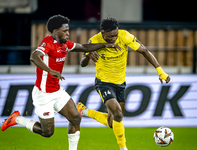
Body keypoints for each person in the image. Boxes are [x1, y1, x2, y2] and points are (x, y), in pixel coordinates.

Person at [1, 15, 121, 150]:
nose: (68, 33)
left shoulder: (65, 44)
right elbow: (34, 56)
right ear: (54, 31)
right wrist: (49, 70)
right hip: (43, 94)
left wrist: (105, 45)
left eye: (68, 30)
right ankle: (17, 119)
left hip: (57, 91)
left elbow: (83, 47)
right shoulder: (47, 43)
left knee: (76, 118)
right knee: (47, 132)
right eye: (64, 31)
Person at [77, 17, 171, 150]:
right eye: (110, 36)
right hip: (103, 82)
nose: (114, 38)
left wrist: (160, 71)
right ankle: (123, 148)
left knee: (113, 122)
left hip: (120, 83)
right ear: (103, 33)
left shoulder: (125, 36)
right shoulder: (94, 41)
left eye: (115, 35)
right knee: (118, 114)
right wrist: (87, 55)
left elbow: (144, 51)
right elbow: (82, 64)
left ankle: (84, 111)